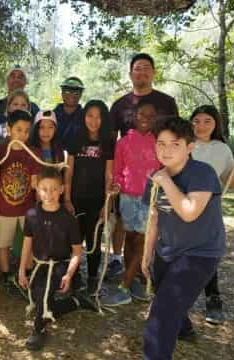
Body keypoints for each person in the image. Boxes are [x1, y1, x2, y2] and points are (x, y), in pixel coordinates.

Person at [142, 117, 225, 360]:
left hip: (201, 253)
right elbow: (154, 219)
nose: (166, 150)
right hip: (168, 249)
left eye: (175, 144)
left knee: (163, 312)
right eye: (161, 144)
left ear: (190, 147)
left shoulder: (202, 173)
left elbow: (189, 212)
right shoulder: (155, 178)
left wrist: (166, 180)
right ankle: (185, 329)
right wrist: (148, 254)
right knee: (166, 294)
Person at [107, 53, 179, 280]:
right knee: (124, 222)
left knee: (151, 226)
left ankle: (145, 268)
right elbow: (112, 144)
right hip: (128, 183)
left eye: (146, 68)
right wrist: (113, 177)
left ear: (153, 72)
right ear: (130, 74)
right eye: (137, 68)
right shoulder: (120, 105)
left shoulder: (167, 102)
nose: (142, 72)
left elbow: (176, 138)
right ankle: (119, 261)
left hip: (158, 179)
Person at [101, 100, 161, 306]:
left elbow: (165, 170)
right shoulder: (123, 142)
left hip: (150, 198)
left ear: (156, 120)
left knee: (143, 242)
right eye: (142, 115)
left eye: (151, 116)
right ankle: (133, 277)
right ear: (134, 117)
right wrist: (116, 185)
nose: (146, 119)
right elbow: (117, 171)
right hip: (127, 197)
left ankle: (124, 287)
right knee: (130, 238)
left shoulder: (160, 143)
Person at [19, 168, 83, 351]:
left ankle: (38, 330)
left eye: (54, 189)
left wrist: (69, 275)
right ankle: (74, 303)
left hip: (60, 267)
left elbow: (77, 252)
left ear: (62, 189)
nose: (49, 194)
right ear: (37, 190)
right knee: (41, 299)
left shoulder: (68, 219)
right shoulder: (31, 215)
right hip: (40, 266)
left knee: (42, 296)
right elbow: (26, 246)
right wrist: (22, 270)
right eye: (44, 189)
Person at [190, 105, 234, 324]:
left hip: (210, 208)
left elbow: (230, 182)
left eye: (207, 121)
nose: (201, 126)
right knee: (181, 251)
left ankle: (213, 297)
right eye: (196, 121)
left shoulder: (223, 149)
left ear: (215, 123)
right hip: (183, 204)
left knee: (207, 253)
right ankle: (179, 299)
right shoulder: (185, 145)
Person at [63, 100, 114, 294]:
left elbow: (109, 175)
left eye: (98, 116)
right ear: (84, 117)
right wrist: (67, 199)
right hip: (75, 199)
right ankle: (73, 276)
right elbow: (68, 172)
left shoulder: (108, 142)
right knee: (74, 239)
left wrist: (107, 203)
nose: (94, 120)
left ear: (104, 119)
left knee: (94, 241)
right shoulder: (76, 138)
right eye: (90, 115)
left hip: (96, 200)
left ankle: (92, 278)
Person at [0, 110, 42, 298]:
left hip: (26, 209)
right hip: (3, 209)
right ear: (8, 129)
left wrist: (37, 184)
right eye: (18, 130)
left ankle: (27, 275)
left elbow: (36, 178)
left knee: (28, 245)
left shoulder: (34, 153)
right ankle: (6, 276)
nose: (23, 135)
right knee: (3, 244)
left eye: (27, 131)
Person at [53, 76, 85, 151]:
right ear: (62, 93)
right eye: (67, 91)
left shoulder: (86, 117)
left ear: (80, 95)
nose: (72, 95)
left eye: (76, 92)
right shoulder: (52, 116)